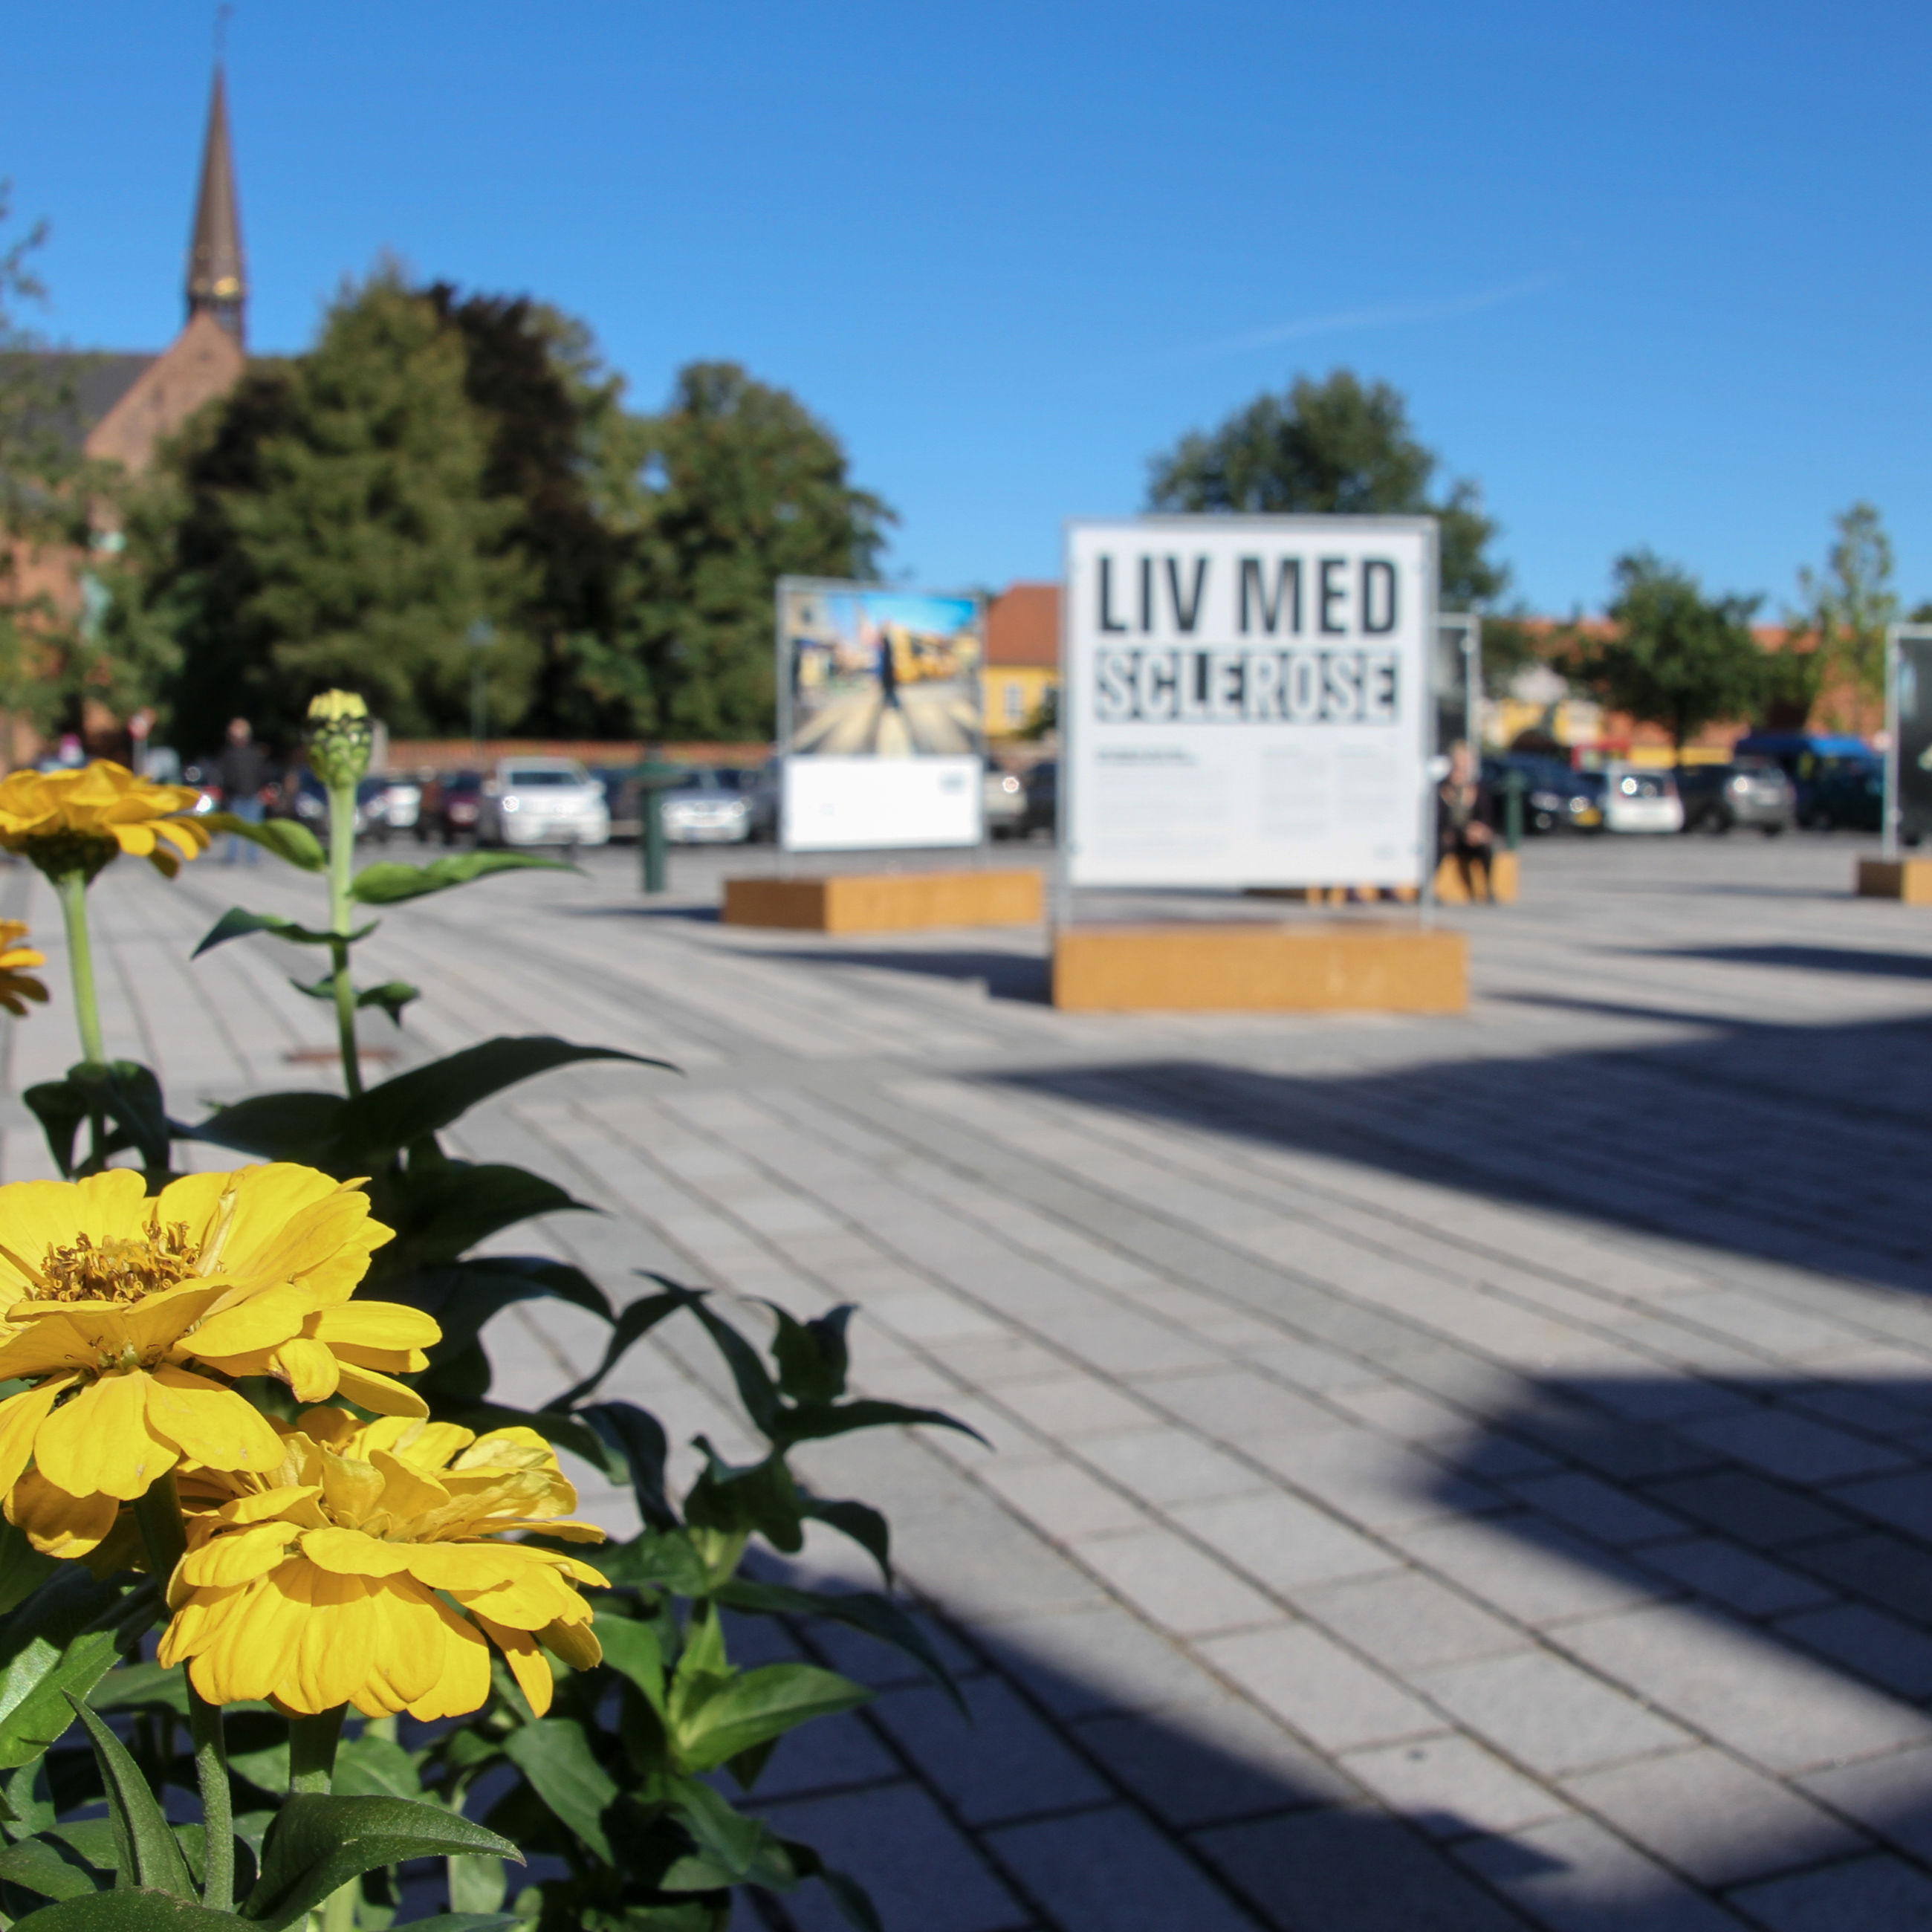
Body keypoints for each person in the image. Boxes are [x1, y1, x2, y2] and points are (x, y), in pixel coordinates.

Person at [1436, 741, 1497, 901]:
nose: (1462, 768)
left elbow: (1486, 817)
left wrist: (1479, 830)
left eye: (1466, 763)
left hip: (1469, 836)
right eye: (1459, 763)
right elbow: (1438, 819)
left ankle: (1488, 887)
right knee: (1442, 844)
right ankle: (1430, 888)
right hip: (1449, 836)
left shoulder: (1478, 789)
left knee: (1485, 846)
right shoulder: (1441, 788)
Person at [218, 718, 268, 864]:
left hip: (252, 796)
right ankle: (232, 857)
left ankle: (251, 857)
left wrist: (261, 790)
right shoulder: (230, 753)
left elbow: (262, 773)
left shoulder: (254, 753)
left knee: (252, 829)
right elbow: (225, 775)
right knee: (235, 829)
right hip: (236, 796)